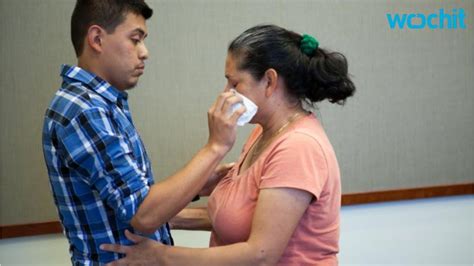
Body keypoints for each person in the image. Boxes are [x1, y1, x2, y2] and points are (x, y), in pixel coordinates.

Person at [101, 24, 356, 265]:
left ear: (269, 81)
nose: (226, 93)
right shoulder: (263, 133)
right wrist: (147, 217)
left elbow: (261, 255)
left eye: (234, 83)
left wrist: (162, 257)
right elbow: (230, 217)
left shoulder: (298, 147)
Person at [42, 0, 245, 264]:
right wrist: (215, 147)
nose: (144, 52)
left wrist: (197, 184)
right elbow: (143, 215)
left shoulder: (101, 104)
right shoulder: (84, 111)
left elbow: (126, 200)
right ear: (96, 39)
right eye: (135, 39)